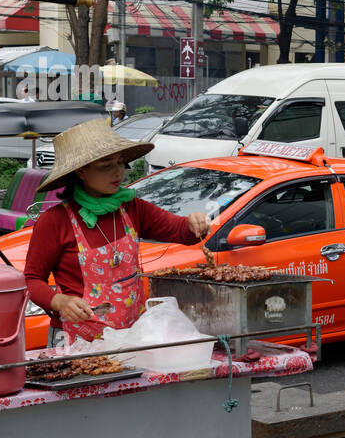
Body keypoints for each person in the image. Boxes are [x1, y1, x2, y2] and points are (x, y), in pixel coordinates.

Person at [24, 118, 211, 348]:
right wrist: (60, 301)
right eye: (106, 165)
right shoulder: (55, 221)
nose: (117, 173)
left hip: (132, 336)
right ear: (81, 171)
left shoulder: (132, 208)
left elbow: (181, 231)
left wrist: (195, 222)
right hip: (78, 340)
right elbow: (31, 280)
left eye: (121, 163)